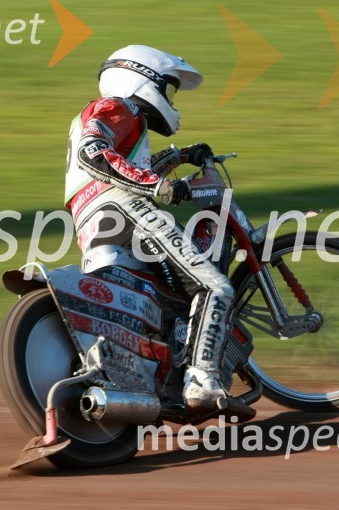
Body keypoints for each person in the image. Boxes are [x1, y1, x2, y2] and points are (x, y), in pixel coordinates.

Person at [64, 45, 236, 413]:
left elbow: (126, 166)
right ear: (142, 79)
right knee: (214, 285)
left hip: (98, 221)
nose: (171, 100)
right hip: (122, 209)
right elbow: (93, 154)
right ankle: (203, 380)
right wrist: (161, 187)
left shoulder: (126, 119)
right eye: (168, 89)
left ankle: (164, 366)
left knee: (173, 293)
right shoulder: (116, 106)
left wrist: (180, 156)